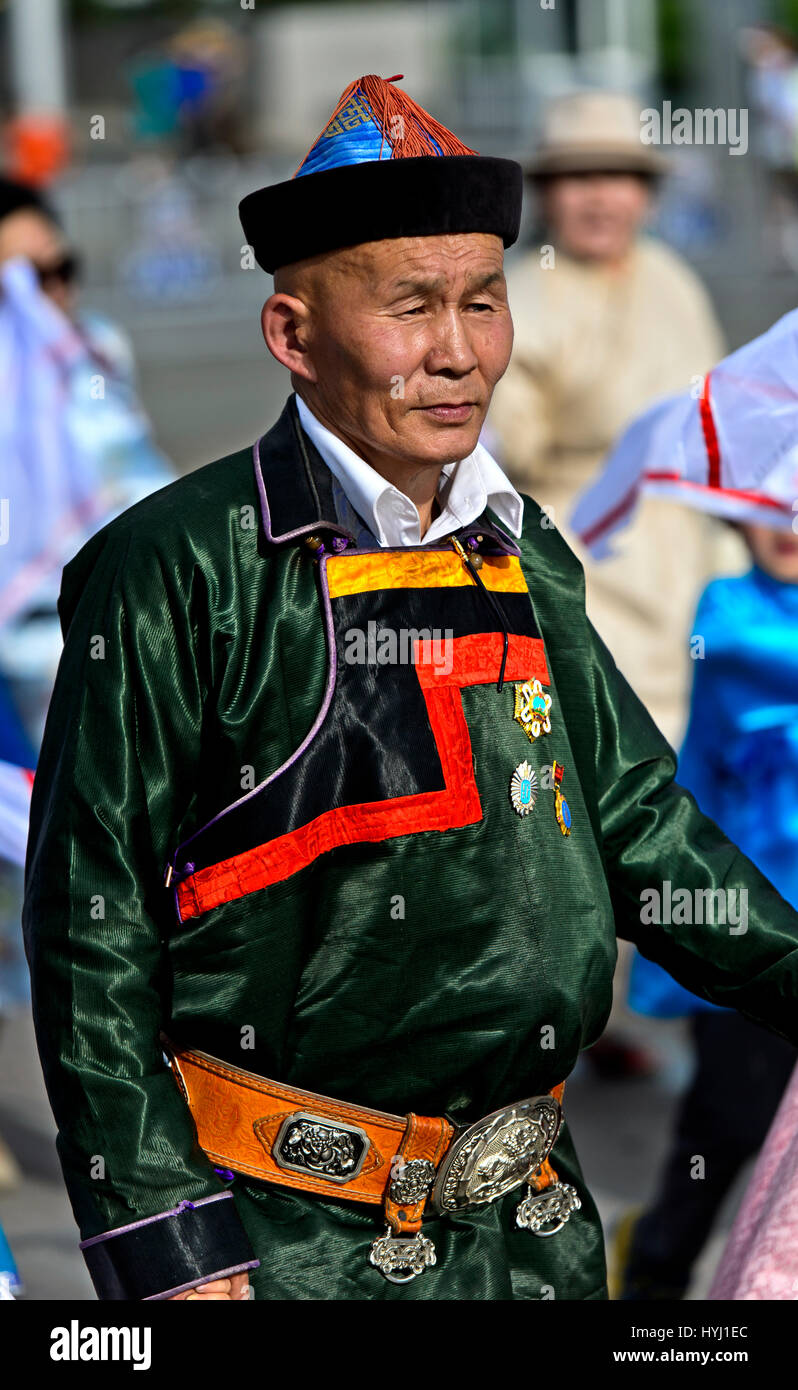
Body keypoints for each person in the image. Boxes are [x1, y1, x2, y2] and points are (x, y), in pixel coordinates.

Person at [22, 75, 798, 1303]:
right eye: (412, 307)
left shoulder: (517, 545)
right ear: (294, 334)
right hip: (291, 1242)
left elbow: (640, 827)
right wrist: (164, 1234)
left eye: (484, 303)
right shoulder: (177, 565)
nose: (458, 352)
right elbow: (91, 915)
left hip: (533, 1229)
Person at [489, 91, 743, 749]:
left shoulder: (671, 279)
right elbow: (503, 452)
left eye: (617, 177)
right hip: (585, 562)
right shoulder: (517, 296)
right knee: (619, 757)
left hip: (695, 557)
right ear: (546, 193)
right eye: (577, 178)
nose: (599, 199)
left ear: (646, 194)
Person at [619, 522, 798, 1299]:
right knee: (724, 1137)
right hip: (756, 931)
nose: (788, 523)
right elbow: (758, 666)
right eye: (771, 502)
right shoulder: (729, 616)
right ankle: (656, 1282)